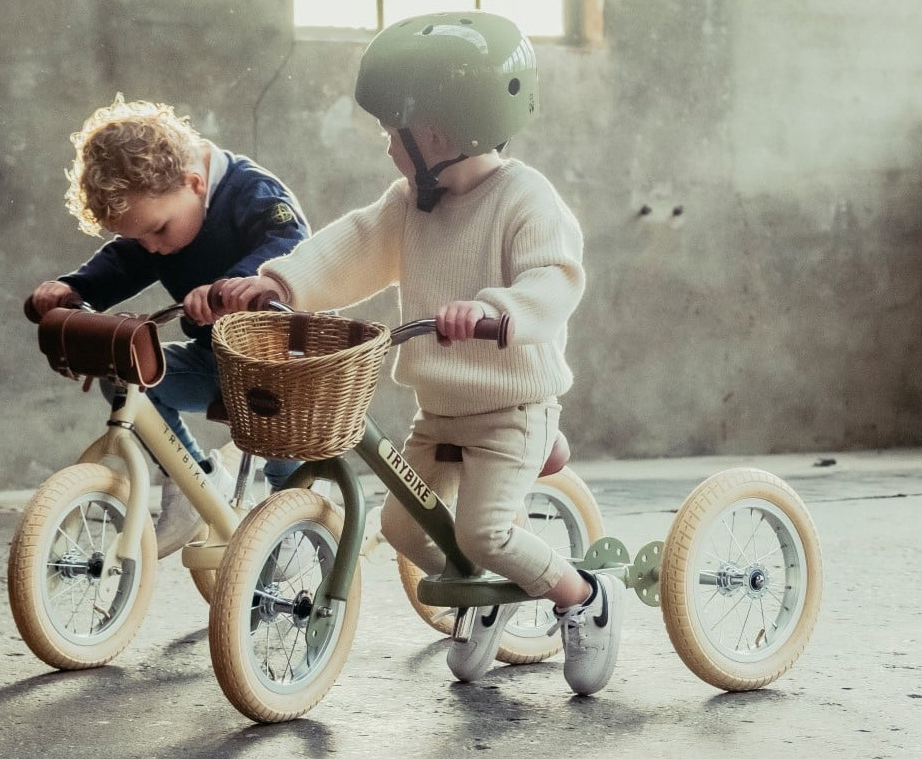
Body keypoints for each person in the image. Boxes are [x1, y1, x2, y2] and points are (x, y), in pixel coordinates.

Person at [210, 12, 622, 696]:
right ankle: (487, 595)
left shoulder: (527, 201)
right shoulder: (411, 202)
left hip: (510, 407)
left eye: (391, 132)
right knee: (401, 523)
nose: (386, 148)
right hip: (441, 410)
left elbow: (554, 279)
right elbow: (354, 245)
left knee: (486, 533)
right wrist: (281, 279)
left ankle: (582, 596)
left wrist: (496, 310)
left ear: (437, 134)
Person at [28, 96, 309, 555]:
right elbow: (123, 262)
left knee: (282, 448)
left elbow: (291, 242)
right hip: (212, 358)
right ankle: (192, 482)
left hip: (277, 362)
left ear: (194, 183)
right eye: (138, 237)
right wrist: (75, 290)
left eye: (157, 231)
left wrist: (237, 284)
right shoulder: (160, 219)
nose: (153, 248)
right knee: (129, 377)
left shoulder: (253, 192)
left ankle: (294, 518)